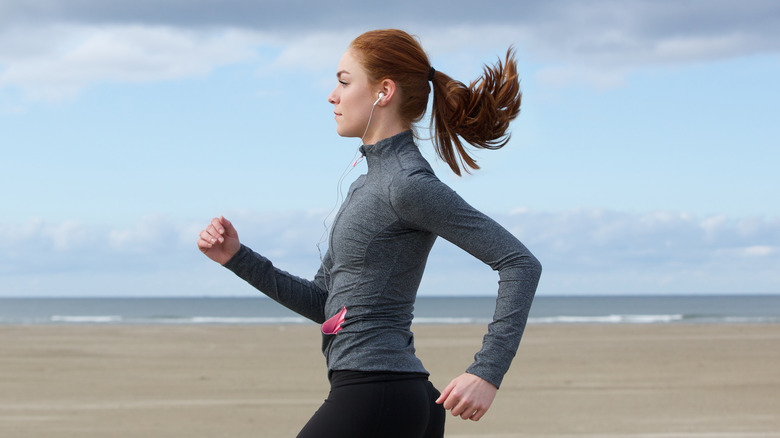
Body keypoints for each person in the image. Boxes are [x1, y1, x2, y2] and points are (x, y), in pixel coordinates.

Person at [197, 29, 542, 438]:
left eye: (344, 82)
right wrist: (238, 258)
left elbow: (520, 263)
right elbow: (327, 306)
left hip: (379, 392)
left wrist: (486, 372)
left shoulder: (405, 183)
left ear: (384, 91)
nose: (332, 96)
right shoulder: (368, 184)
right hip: (384, 393)